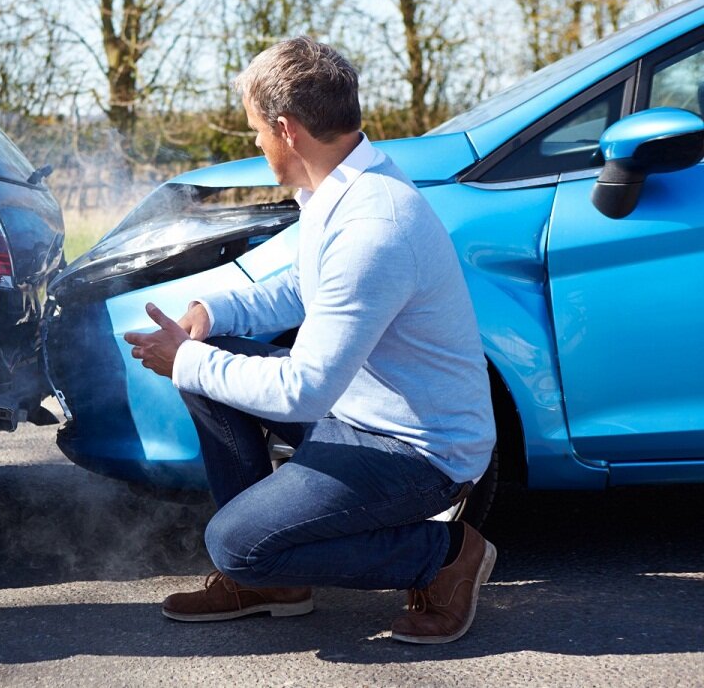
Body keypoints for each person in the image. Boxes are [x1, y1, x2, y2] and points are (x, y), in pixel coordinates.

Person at [124, 36, 496, 644]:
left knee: (234, 543)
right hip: (359, 416)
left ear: (286, 129)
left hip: (418, 452)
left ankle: (445, 554)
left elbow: (304, 392)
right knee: (214, 372)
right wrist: (209, 314)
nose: (256, 144)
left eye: (255, 132)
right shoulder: (344, 188)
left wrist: (188, 360)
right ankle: (275, 581)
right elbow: (302, 287)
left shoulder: (374, 226)